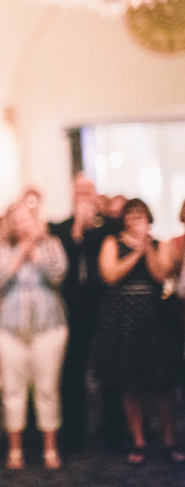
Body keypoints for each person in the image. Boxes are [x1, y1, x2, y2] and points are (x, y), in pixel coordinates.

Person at [93, 198, 184, 466]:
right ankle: (139, 440)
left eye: (141, 216)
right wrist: (134, 254)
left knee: (162, 381)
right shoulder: (113, 243)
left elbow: (161, 275)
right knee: (129, 378)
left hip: (155, 316)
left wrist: (147, 249)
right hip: (123, 314)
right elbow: (109, 275)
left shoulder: (160, 244)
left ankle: (168, 440)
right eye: (131, 217)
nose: (136, 221)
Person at [0, 202, 68, 470]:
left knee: (47, 389)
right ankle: (15, 450)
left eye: (27, 219)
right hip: (9, 331)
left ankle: (50, 449)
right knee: (13, 390)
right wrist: (19, 256)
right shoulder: (0, 247)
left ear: (36, 220)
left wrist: (36, 253)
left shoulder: (51, 244)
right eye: (17, 220)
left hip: (49, 329)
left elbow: (59, 275)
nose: (22, 225)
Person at [48, 173, 122, 452]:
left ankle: (114, 432)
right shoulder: (61, 227)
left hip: (105, 307)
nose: (83, 195)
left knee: (109, 370)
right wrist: (78, 228)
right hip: (73, 309)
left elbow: (106, 257)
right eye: (78, 190)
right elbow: (62, 261)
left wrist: (91, 227)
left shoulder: (109, 227)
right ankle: (75, 434)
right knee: (72, 373)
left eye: (88, 190)